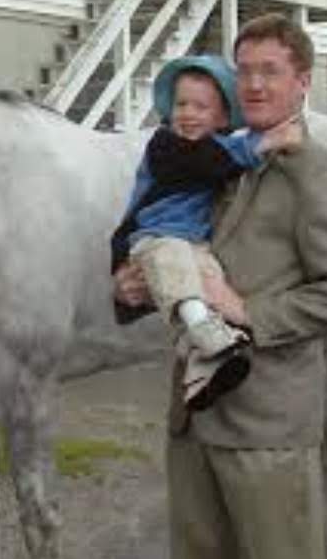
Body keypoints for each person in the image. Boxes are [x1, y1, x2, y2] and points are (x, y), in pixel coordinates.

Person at [115, 14, 327, 559]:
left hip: (268, 432)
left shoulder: (316, 172)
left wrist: (248, 310)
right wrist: (127, 290)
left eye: (271, 72)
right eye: (246, 72)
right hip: (193, 422)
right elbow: (165, 240)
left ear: (301, 81)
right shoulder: (213, 158)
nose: (255, 85)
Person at [111, 54, 301, 410]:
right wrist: (266, 142)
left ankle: (202, 371)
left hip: (193, 244)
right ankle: (207, 335)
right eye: (181, 104)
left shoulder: (225, 146)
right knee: (181, 276)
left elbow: (228, 153)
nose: (188, 113)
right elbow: (204, 163)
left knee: (210, 281)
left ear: (223, 118)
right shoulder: (165, 145)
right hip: (154, 237)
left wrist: (276, 135)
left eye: (201, 107)